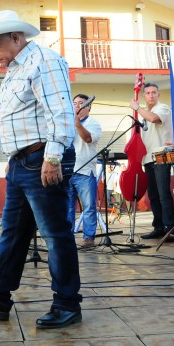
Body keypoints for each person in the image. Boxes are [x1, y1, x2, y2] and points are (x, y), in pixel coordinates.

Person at [0, 10, 80, 329]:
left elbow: (61, 112)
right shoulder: (15, 68)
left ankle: (67, 304)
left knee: (55, 235)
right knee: (12, 235)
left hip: (42, 158)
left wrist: (53, 157)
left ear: (16, 37)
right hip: (21, 162)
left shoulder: (44, 61)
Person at [130, 82, 174, 240]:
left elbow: (154, 119)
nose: (151, 95)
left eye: (154, 92)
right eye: (148, 93)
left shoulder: (162, 108)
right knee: (154, 195)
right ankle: (158, 227)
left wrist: (137, 108)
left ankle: (170, 228)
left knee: (164, 193)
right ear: (144, 96)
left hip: (161, 154)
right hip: (148, 157)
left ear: (158, 94)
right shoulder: (143, 114)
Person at [68, 94, 101, 247]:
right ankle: (66, 238)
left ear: (88, 107)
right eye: (74, 103)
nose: (77, 106)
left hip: (85, 172)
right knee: (66, 207)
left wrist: (77, 124)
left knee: (88, 207)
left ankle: (89, 238)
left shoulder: (93, 123)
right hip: (67, 171)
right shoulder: (66, 122)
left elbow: (88, 139)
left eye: (81, 103)